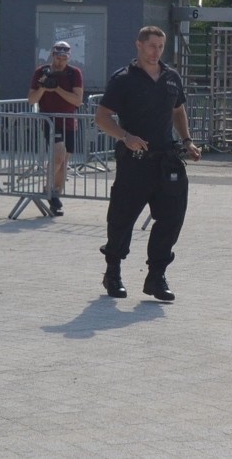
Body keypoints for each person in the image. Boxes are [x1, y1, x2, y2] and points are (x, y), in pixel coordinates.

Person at [94, 26, 202, 301]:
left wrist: (187, 140)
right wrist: (124, 136)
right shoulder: (123, 79)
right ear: (139, 45)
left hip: (167, 160)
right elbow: (102, 117)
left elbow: (178, 109)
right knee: (122, 219)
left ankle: (156, 277)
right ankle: (113, 273)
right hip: (135, 162)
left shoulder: (171, 77)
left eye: (161, 47)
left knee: (171, 219)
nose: (156, 52)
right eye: (152, 46)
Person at [28, 41, 84, 216]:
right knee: (58, 154)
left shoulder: (74, 73)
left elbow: (77, 100)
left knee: (64, 162)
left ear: (68, 58)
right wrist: (44, 87)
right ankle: (48, 187)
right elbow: (31, 100)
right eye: (57, 58)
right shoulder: (41, 71)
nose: (60, 62)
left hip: (69, 120)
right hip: (50, 120)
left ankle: (54, 197)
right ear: (52, 55)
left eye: (63, 58)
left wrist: (57, 88)